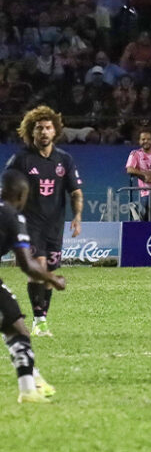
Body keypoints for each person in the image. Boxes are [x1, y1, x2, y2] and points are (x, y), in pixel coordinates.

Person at [5, 106, 83, 337]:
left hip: (55, 224)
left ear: (55, 131)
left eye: (48, 128)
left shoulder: (64, 159)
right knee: (37, 267)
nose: (44, 132)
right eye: (39, 128)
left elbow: (76, 191)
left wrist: (77, 216)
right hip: (29, 223)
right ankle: (39, 319)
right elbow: (8, 188)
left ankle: (42, 319)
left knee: (49, 269)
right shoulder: (20, 159)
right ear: (31, 131)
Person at [0, 169, 67, 403]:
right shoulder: (12, 216)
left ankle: (32, 384)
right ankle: (29, 388)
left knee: (14, 326)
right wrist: (52, 278)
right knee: (17, 330)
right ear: (21, 195)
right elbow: (27, 265)